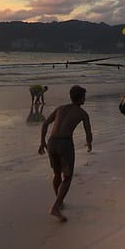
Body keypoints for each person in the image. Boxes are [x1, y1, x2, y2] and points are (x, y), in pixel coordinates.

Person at [38, 85, 92, 222]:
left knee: (57, 174)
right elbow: (88, 132)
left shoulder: (60, 108)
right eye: (84, 96)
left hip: (52, 142)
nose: (85, 98)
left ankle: (59, 201)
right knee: (67, 177)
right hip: (65, 144)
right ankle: (56, 206)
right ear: (80, 98)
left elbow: (45, 124)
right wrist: (89, 143)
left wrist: (42, 142)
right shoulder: (82, 113)